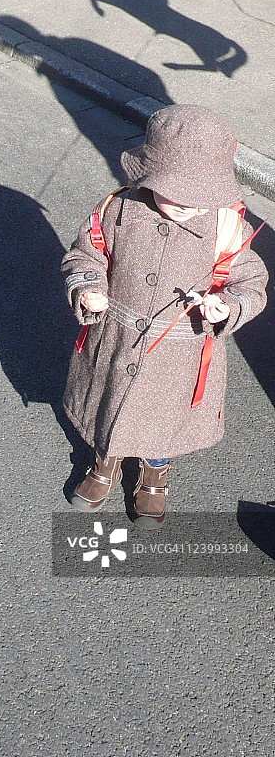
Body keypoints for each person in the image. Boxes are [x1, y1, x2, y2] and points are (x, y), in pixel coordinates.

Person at [61, 104, 269, 527]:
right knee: (109, 406)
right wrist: (88, 287)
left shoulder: (228, 227)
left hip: (181, 354)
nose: (190, 206)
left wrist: (228, 306)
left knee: (164, 423)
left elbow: (252, 284)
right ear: (149, 175)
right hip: (116, 338)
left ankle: (154, 474)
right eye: (177, 193)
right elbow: (86, 253)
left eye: (202, 198)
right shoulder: (117, 208)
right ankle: (105, 463)